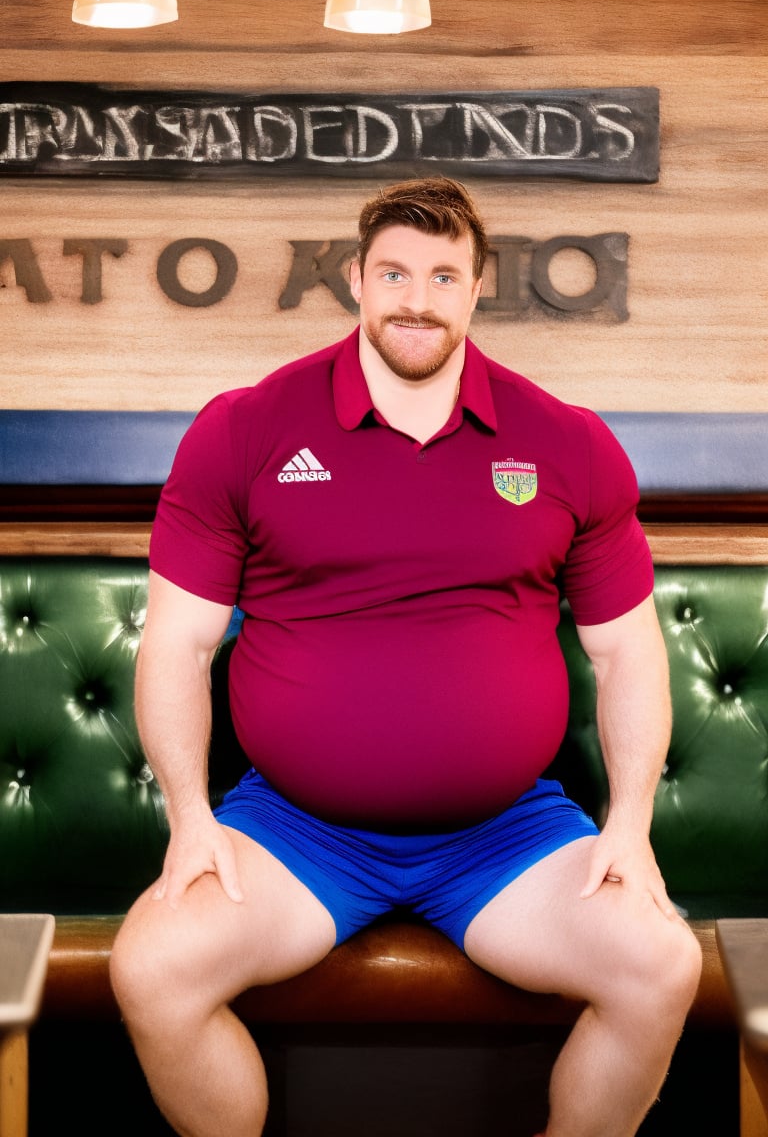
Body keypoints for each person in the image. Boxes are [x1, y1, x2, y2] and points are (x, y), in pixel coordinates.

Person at [110, 176, 702, 1137]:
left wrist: (629, 825)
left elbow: (628, 656)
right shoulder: (245, 429)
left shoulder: (568, 443)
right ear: (354, 280)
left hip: (506, 837)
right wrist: (189, 818)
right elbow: (177, 644)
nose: (415, 298)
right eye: (393, 271)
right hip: (297, 833)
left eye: (441, 275)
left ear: (477, 288)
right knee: (152, 967)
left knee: (660, 965)